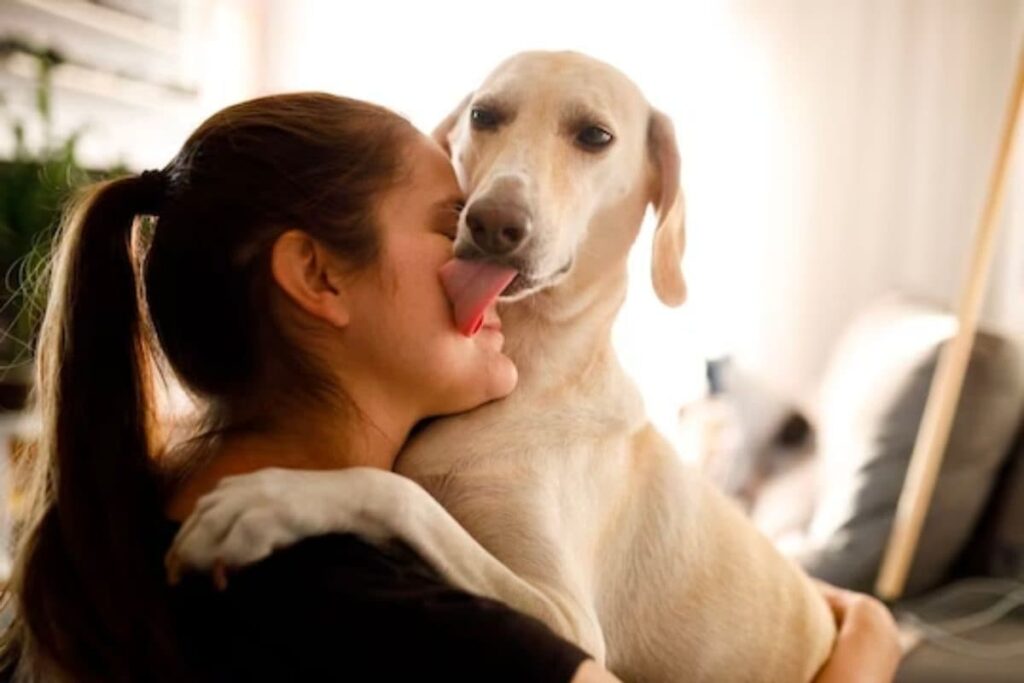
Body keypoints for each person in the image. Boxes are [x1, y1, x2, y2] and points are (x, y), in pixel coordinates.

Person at [1, 92, 900, 682]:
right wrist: (865, 659)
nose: (492, 248)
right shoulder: (380, 604)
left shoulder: (123, 522)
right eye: (452, 222)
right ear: (318, 276)